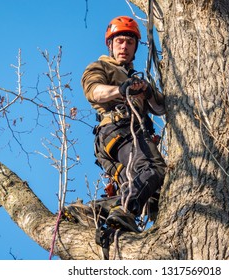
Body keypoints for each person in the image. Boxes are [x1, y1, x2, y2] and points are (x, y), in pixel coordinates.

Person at [81, 16, 166, 233]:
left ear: (136, 46)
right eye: (119, 41)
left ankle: (90, 212)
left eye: (129, 42)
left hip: (120, 144)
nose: (124, 47)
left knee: (152, 193)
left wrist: (147, 90)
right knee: (154, 168)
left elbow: (161, 107)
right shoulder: (101, 67)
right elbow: (94, 91)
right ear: (110, 44)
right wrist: (120, 89)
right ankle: (125, 212)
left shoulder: (136, 78)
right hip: (118, 132)